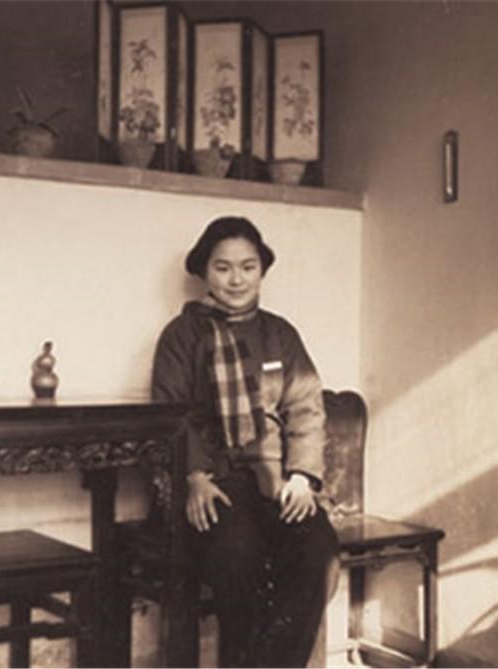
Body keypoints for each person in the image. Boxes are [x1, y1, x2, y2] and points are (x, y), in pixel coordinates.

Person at [151, 216, 338, 668]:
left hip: (277, 481)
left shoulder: (281, 334)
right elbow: (171, 417)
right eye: (223, 267)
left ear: (261, 271)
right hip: (216, 481)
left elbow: (305, 407)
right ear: (204, 271)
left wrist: (301, 477)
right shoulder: (182, 336)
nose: (236, 279)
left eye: (247, 267)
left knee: (319, 550)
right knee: (237, 556)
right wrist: (194, 476)